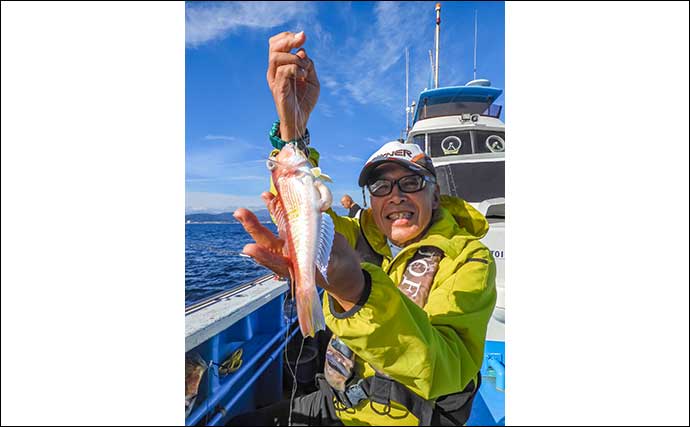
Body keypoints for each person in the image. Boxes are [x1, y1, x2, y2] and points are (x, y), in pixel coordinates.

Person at [231, 31, 496, 426]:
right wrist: (292, 129)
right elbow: (301, 208)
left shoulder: (469, 259)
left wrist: (358, 293)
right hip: (337, 404)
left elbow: (446, 366)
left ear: (435, 195)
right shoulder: (358, 235)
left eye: (411, 182)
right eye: (381, 186)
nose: (396, 196)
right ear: (371, 198)